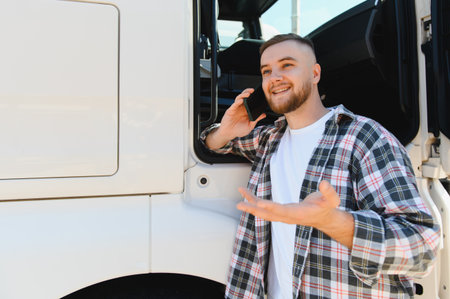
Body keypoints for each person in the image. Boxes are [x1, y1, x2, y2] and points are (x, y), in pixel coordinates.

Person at [201, 33, 440, 298]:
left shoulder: (364, 138)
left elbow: (422, 245)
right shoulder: (268, 140)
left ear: (315, 74)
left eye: (287, 65)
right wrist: (225, 130)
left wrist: (334, 222)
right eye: (266, 71)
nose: (274, 77)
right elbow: (215, 144)